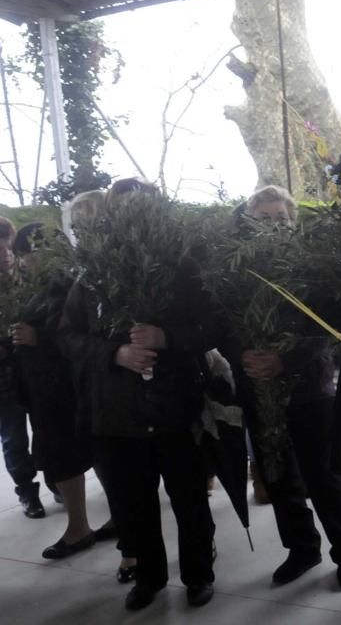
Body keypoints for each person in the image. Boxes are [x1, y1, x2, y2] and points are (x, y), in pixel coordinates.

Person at [59, 179, 220, 611]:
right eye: (125, 209)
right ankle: (149, 577)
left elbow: (212, 327)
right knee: (134, 503)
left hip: (176, 407)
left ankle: (199, 575)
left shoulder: (183, 268)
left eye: (143, 209)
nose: (135, 217)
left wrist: (165, 337)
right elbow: (68, 336)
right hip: (118, 412)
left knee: (189, 501)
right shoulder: (93, 273)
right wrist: (117, 353)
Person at [225, 185, 341, 588]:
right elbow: (222, 323)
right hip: (257, 387)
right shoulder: (236, 272)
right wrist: (244, 356)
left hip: (309, 388)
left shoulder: (312, 269)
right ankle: (302, 548)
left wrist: (284, 360)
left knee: (323, 477)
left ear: (294, 223)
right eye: (265, 219)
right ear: (250, 223)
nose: (274, 227)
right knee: (277, 475)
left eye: (282, 219)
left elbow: (327, 331)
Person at [61, 189, 137, 582]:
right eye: (78, 228)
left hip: (153, 398)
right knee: (119, 481)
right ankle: (132, 552)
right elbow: (69, 335)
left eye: (93, 225)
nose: (85, 236)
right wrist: (113, 353)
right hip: (102, 397)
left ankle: (196, 556)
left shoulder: (142, 266)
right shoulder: (83, 278)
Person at [11, 223, 96, 559]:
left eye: (33, 252)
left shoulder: (71, 282)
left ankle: (97, 530)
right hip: (41, 386)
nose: (29, 260)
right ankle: (80, 526)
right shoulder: (31, 285)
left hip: (68, 385)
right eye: (25, 254)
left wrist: (38, 338)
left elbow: (79, 334)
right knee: (58, 457)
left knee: (82, 455)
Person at [0, 216, 44, 519]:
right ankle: (27, 491)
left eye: (6, 250)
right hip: (4, 376)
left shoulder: (29, 277)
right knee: (14, 435)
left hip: (35, 368)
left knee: (47, 428)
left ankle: (58, 481)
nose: (4, 256)